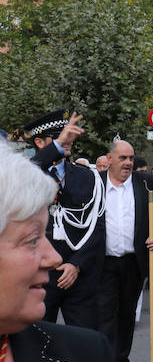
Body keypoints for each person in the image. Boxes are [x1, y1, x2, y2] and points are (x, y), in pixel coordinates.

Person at [0, 143, 116, 362]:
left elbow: (96, 228)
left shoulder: (88, 355)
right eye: (32, 240)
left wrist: (76, 264)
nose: (52, 258)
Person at [24, 110, 105, 330]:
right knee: (38, 341)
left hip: (78, 275)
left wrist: (76, 264)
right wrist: (58, 145)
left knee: (85, 341)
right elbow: (27, 170)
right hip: (39, 275)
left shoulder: (87, 176)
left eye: (70, 136)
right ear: (39, 142)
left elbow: (97, 228)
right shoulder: (29, 174)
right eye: (60, 136)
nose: (68, 140)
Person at [97, 139, 153, 362]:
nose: (128, 163)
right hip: (104, 264)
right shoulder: (96, 184)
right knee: (105, 317)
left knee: (127, 316)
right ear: (109, 159)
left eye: (131, 158)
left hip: (134, 263)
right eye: (123, 158)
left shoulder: (145, 183)